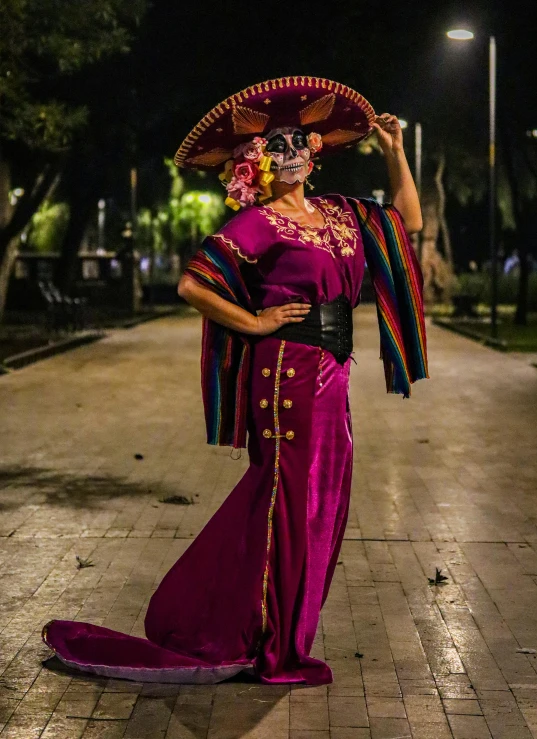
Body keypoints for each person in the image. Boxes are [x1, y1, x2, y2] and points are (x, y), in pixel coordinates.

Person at [43, 76, 429, 686]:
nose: (294, 152)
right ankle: (272, 646)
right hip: (286, 376)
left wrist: (394, 151)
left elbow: (406, 223)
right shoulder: (261, 223)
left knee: (320, 502)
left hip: (332, 376)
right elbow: (192, 284)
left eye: (301, 142)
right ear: (257, 162)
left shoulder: (339, 214)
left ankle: (262, 625)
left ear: (316, 153)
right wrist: (254, 319)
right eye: (277, 146)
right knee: (290, 503)